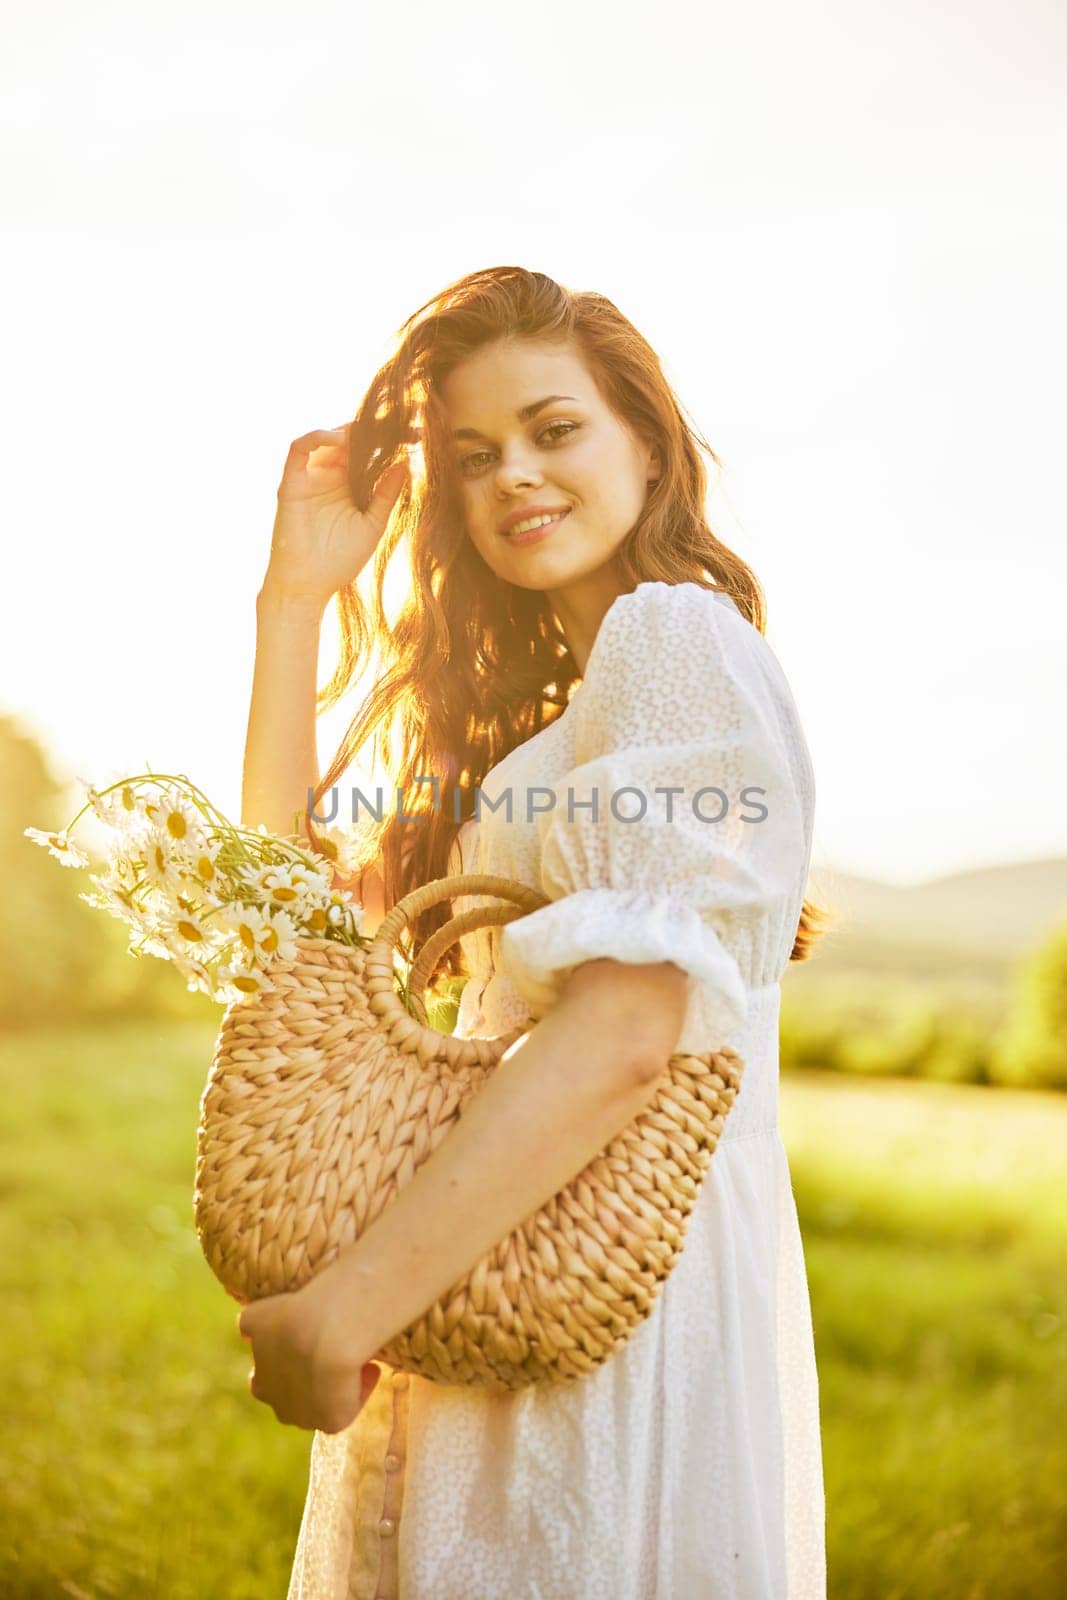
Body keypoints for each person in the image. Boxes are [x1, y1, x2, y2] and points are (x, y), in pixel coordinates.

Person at [239, 265, 831, 1599]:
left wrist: (356, 1297)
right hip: (497, 1256)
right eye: (474, 455)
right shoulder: (550, 727)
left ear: (646, 442)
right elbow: (280, 927)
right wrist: (293, 604)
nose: (515, 476)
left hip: (601, 1289)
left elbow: (626, 1030)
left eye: (554, 431)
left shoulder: (674, 642)